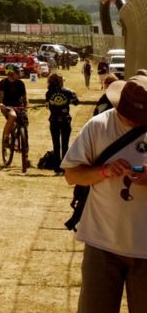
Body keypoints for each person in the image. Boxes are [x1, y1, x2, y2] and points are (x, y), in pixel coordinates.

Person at [61, 74, 147, 312]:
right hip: (102, 245)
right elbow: (72, 175)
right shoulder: (99, 126)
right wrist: (104, 171)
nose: (134, 120)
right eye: (129, 114)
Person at [45, 73, 79, 174]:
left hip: (54, 119)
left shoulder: (48, 93)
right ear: (60, 82)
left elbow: (47, 106)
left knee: (56, 144)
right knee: (65, 144)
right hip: (65, 119)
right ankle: (65, 166)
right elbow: (76, 102)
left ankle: (57, 167)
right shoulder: (68, 92)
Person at [0, 64, 28, 149]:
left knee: (24, 122)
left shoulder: (21, 83)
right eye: (17, 72)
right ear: (10, 73)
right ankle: (6, 138)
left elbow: (25, 98)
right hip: (7, 106)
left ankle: (24, 146)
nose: (19, 74)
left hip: (18, 106)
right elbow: (0, 97)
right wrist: (0, 104)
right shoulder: (2, 83)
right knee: (12, 116)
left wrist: (26, 108)